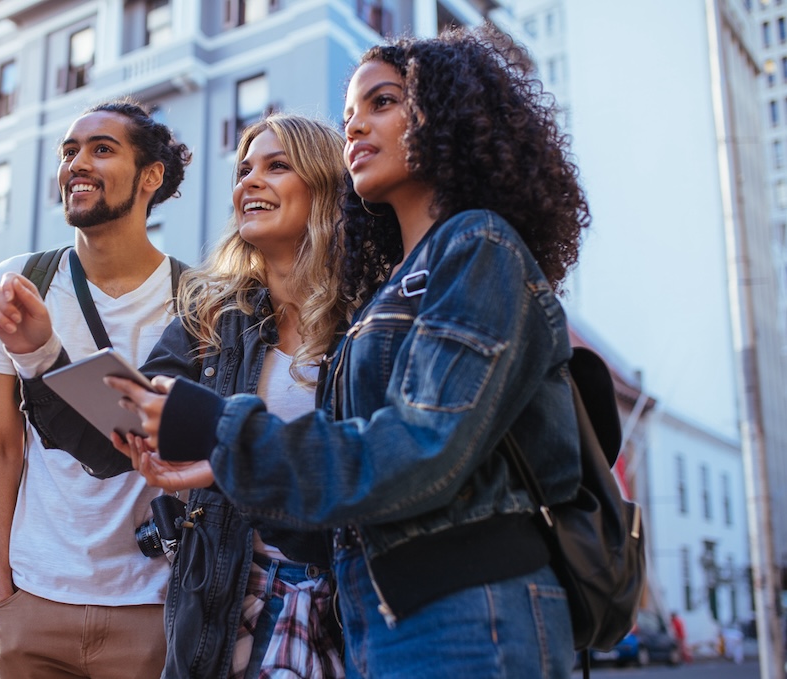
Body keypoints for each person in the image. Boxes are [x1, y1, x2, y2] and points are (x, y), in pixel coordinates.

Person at [107, 26, 591, 678]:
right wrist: (222, 468)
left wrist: (223, 434)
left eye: (383, 102)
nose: (356, 125)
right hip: (382, 620)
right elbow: (347, 475)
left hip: (471, 612)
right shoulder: (389, 295)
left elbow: (417, 449)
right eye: (348, 114)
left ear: (450, 115)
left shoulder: (480, 247)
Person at [1, 115, 351, 678]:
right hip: (226, 605)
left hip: (345, 601)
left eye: (276, 166)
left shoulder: (370, 321)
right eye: (243, 170)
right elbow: (117, 442)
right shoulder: (210, 317)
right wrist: (42, 353)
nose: (249, 183)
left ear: (328, 184)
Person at [0, 98, 191, 679]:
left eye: (101, 149)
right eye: (69, 152)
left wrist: (43, 353)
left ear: (150, 177)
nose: (76, 164)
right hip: (33, 599)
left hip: (150, 604)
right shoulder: (18, 282)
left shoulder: (198, 299)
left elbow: (146, 447)